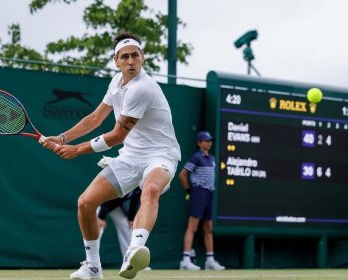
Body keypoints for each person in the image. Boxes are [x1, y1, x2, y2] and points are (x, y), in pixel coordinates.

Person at [41, 32, 181, 280]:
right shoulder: (117, 82)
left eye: (135, 56)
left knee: (150, 190)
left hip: (161, 154)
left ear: (142, 57)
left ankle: (135, 249)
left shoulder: (143, 89)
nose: (130, 61)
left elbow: (117, 136)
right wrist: (63, 138)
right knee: (85, 203)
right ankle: (93, 267)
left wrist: (77, 150)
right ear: (116, 61)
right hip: (130, 157)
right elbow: (94, 119)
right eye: (124, 57)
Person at [178, 131, 225, 271]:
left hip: (209, 193)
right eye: (206, 140)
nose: (209, 142)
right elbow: (182, 175)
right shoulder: (196, 157)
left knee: (208, 228)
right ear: (199, 143)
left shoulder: (212, 159)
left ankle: (210, 260)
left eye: (210, 140)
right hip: (198, 193)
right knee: (192, 227)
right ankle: (185, 261)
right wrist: (189, 191)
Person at [97, 188, 141, 259]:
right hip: (100, 205)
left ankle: (131, 261)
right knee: (96, 231)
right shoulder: (127, 180)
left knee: (127, 228)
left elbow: (135, 201)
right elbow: (106, 198)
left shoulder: (139, 187)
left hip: (115, 206)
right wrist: (101, 217)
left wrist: (131, 219)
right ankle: (91, 263)